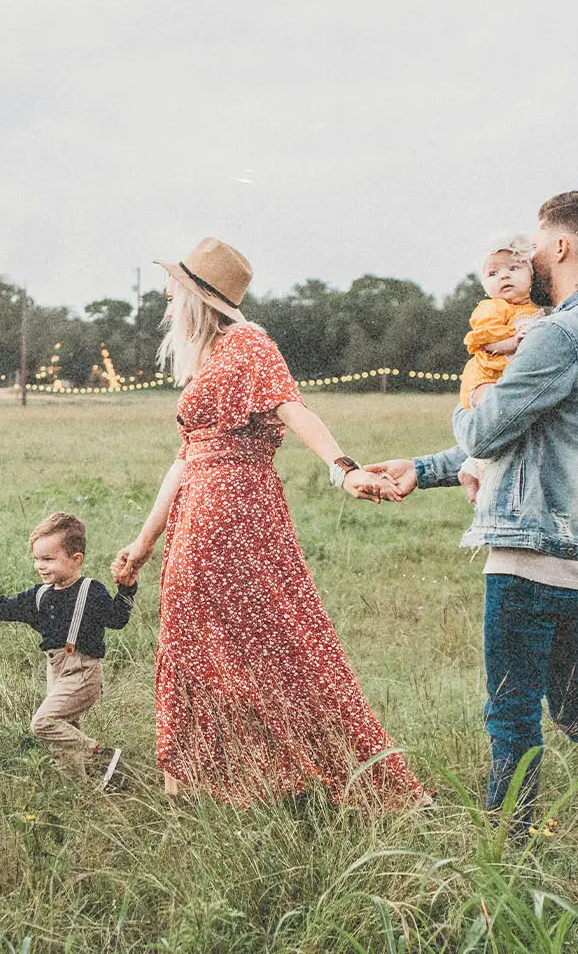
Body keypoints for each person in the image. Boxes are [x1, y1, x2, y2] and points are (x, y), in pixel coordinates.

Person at [367, 192, 578, 865]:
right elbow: (531, 441)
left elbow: (489, 428)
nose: (529, 257)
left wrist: (474, 399)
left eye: (539, 245)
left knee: (511, 715)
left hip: (530, 559)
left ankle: (504, 859)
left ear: (563, 249)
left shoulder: (556, 334)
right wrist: (424, 469)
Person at [110, 236, 426, 808]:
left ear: (196, 296)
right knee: (207, 643)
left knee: (268, 641)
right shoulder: (210, 357)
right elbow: (185, 458)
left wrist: (343, 468)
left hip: (232, 512)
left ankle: (296, 775)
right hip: (199, 512)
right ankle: (210, 782)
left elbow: (293, 407)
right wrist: (143, 540)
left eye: (173, 287)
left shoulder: (248, 345)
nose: (164, 297)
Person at [0, 513, 131, 787]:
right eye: (36, 559)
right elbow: (5, 607)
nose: (40, 566)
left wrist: (127, 588)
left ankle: (100, 755)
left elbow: (117, 619)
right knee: (62, 736)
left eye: (48, 559)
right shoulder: (41, 594)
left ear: (76, 559)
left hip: (83, 670)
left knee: (44, 723)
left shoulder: (90, 591)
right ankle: (79, 793)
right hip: (55, 669)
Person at [457, 233, 545, 503]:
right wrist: (511, 342)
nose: (504, 276)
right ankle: (475, 470)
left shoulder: (535, 310)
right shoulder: (493, 307)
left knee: (509, 424)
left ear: (531, 276)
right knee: (496, 414)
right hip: (485, 375)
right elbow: (482, 339)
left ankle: (474, 468)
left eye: (513, 269)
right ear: (484, 284)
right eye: (493, 273)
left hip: (506, 375)